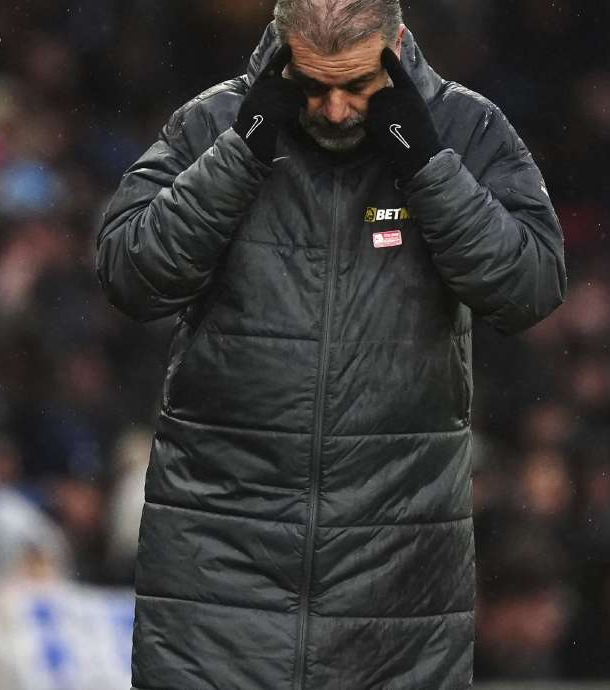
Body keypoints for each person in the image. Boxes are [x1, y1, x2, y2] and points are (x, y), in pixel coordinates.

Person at [96, 1, 566, 687]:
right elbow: (130, 275)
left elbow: (530, 287)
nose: (337, 109)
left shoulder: (466, 127)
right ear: (282, 48)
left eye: (358, 85)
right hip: (217, 565)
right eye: (313, 85)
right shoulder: (216, 121)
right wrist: (241, 152)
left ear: (396, 43)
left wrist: (428, 165)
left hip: (396, 576)